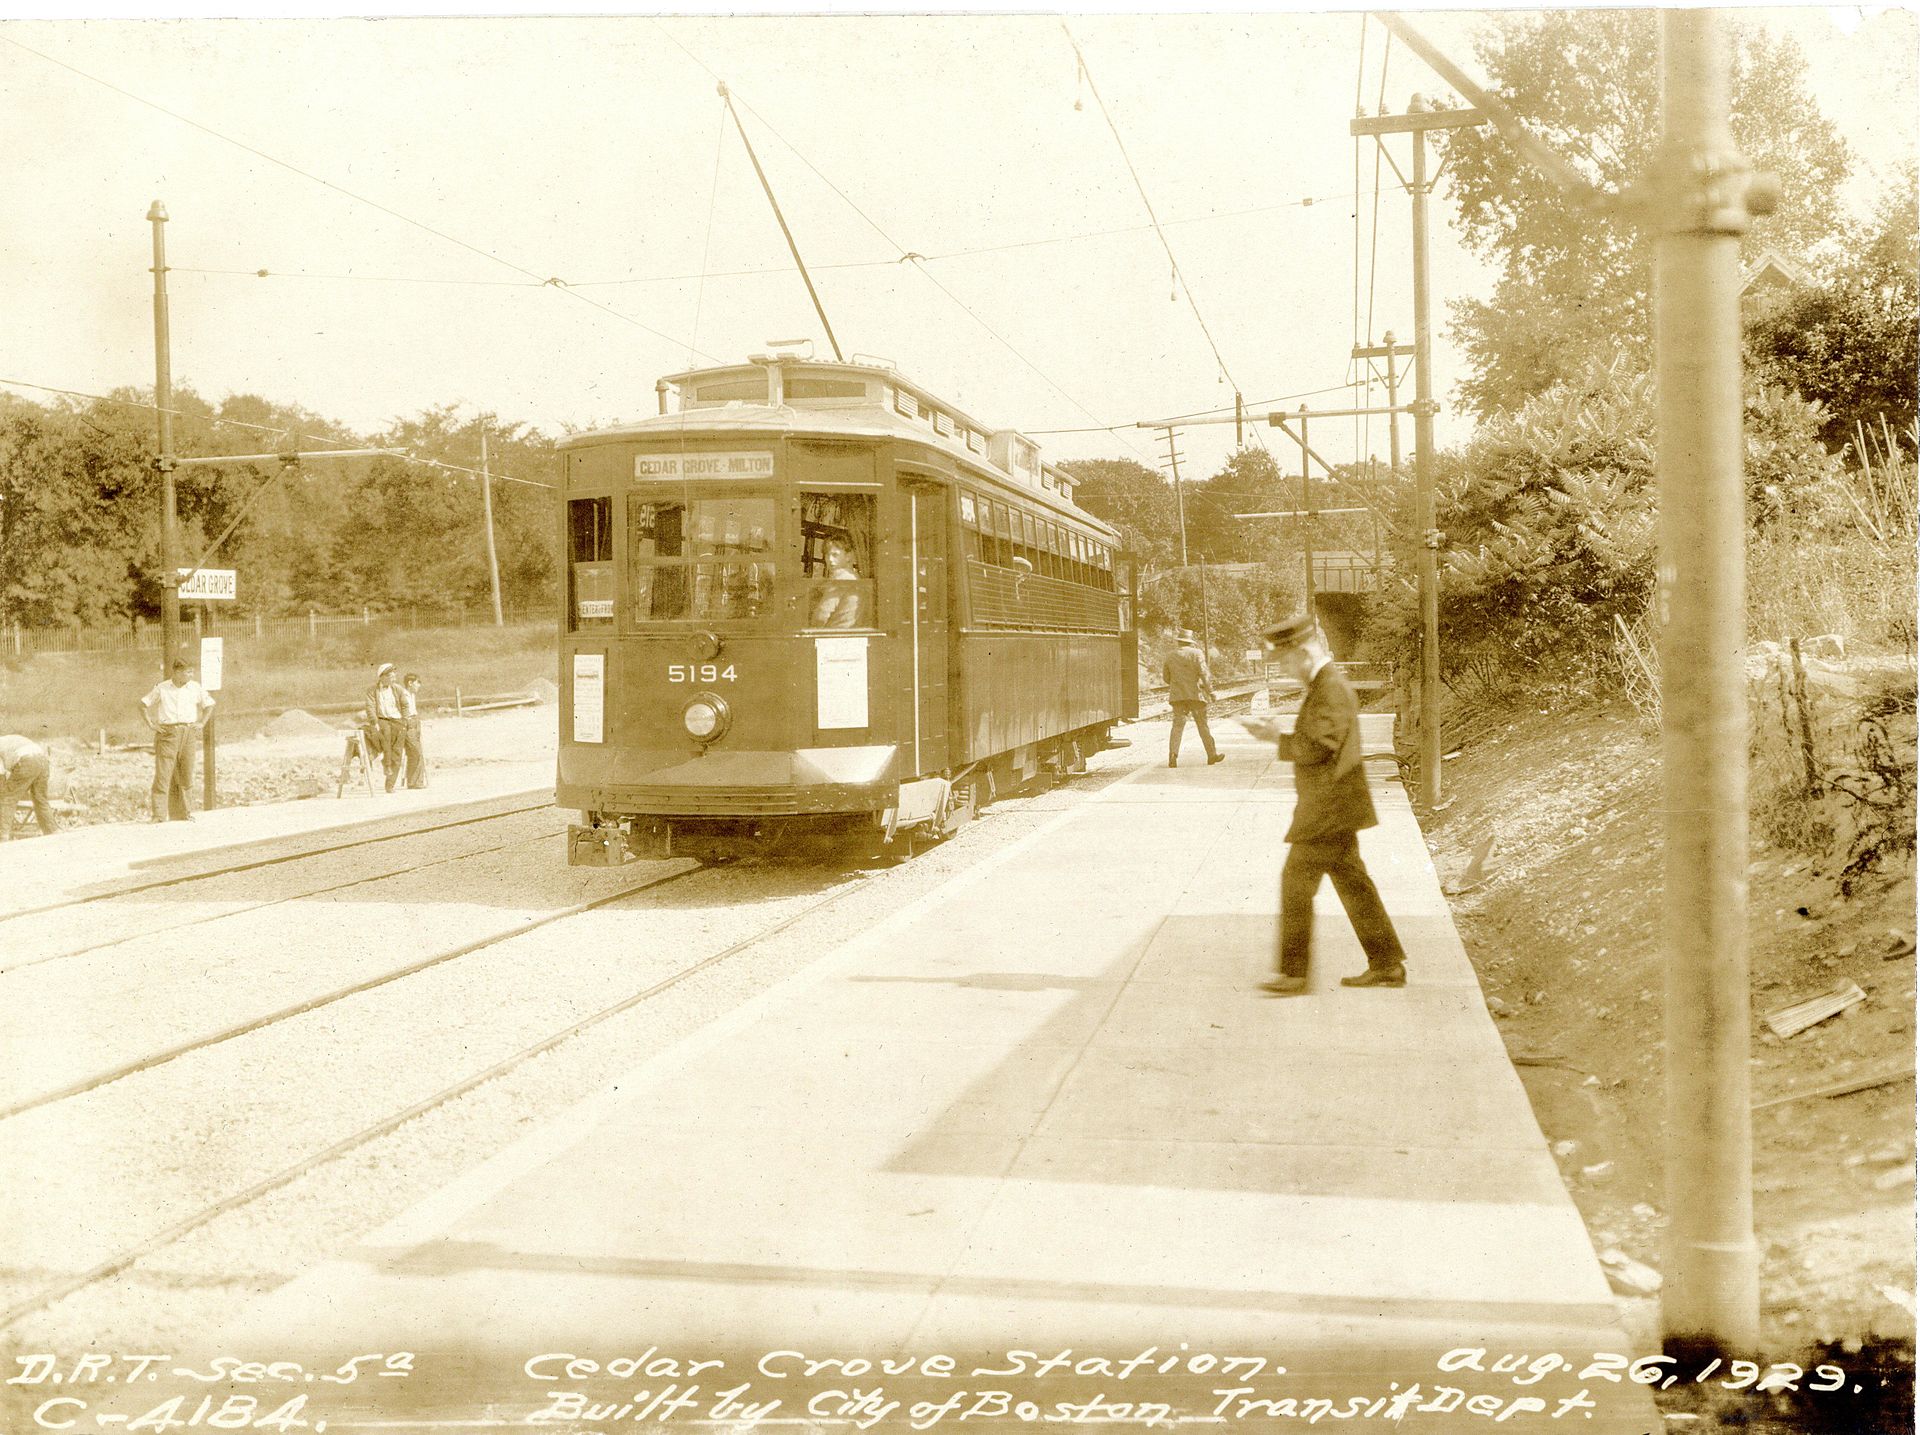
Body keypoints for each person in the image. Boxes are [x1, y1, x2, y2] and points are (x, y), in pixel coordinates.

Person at [1241, 614, 1408, 994]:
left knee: (1296, 884)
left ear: (1302, 652)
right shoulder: (1324, 685)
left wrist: (1275, 738)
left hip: (1328, 810)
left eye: (1285, 662)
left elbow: (1319, 745)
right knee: (1354, 884)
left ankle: (1295, 974)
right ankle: (1386, 963)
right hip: (1336, 806)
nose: (1285, 670)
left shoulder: (1329, 687)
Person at [140, 658, 214, 822]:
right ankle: (159, 815)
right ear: (177, 672)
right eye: (188, 672)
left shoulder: (195, 688)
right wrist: (151, 724)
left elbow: (209, 704)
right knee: (164, 775)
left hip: (189, 733)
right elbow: (143, 704)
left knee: (186, 774)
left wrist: (201, 723)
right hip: (168, 734)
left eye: (192, 672)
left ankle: (184, 813)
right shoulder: (162, 688)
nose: (191, 675)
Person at [1162, 628, 1223, 769]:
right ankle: (1212, 755)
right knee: (1202, 725)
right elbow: (1205, 675)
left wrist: (1178, 684)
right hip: (1196, 696)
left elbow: (1166, 677)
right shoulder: (1197, 654)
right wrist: (1211, 692)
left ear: (1179, 641)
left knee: (1177, 727)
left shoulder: (1170, 655)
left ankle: (1173, 756)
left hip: (1177, 697)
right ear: (1190, 642)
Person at [0, 734, 59, 841]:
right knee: (40, 799)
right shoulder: (8, 740)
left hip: (27, 761)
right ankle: (52, 831)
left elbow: (1, 778)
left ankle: (2, 837)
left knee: (7, 798)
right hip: (43, 760)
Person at [364, 663, 407, 792]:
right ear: (382, 677)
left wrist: (404, 720)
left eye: (394, 676)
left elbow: (405, 705)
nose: (393, 679)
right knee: (386, 735)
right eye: (390, 676)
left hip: (397, 720)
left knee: (398, 752)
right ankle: (387, 764)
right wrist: (374, 721)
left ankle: (390, 784)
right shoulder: (372, 690)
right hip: (382, 719)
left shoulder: (397, 689)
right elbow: (370, 707)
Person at [809, 538, 865, 628]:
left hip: (834, 634)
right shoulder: (854, 576)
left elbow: (822, 615)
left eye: (835, 555)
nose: (830, 559)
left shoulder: (841, 578)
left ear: (848, 556)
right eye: (827, 555)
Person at [399, 672, 428, 790]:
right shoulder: (403, 695)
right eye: (417, 683)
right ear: (410, 683)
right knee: (416, 752)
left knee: (416, 752)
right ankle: (415, 782)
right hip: (408, 723)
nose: (419, 686)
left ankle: (414, 782)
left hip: (415, 722)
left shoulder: (412, 695)